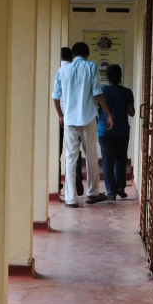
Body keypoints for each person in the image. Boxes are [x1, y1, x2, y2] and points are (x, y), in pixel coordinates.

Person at [52, 41, 113, 208]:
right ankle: (92, 193)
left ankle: (71, 199)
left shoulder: (63, 70)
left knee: (71, 158)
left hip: (69, 120)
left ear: (73, 55)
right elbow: (97, 93)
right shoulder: (90, 66)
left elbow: (55, 96)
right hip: (87, 118)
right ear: (86, 55)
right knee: (91, 156)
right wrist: (108, 113)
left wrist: (60, 115)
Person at [97, 64, 134, 200]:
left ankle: (111, 192)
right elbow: (131, 112)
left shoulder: (101, 91)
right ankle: (120, 187)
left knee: (107, 161)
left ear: (107, 77)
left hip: (104, 131)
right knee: (121, 159)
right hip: (122, 131)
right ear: (120, 76)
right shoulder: (126, 92)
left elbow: (96, 110)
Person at [58, 47, 84, 197]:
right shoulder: (75, 71)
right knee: (74, 151)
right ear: (72, 57)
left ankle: (58, 184)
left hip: (59, 117)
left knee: (59, 153)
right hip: (73, 116)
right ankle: (76, 182)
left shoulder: (58, 71)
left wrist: (59, 115)